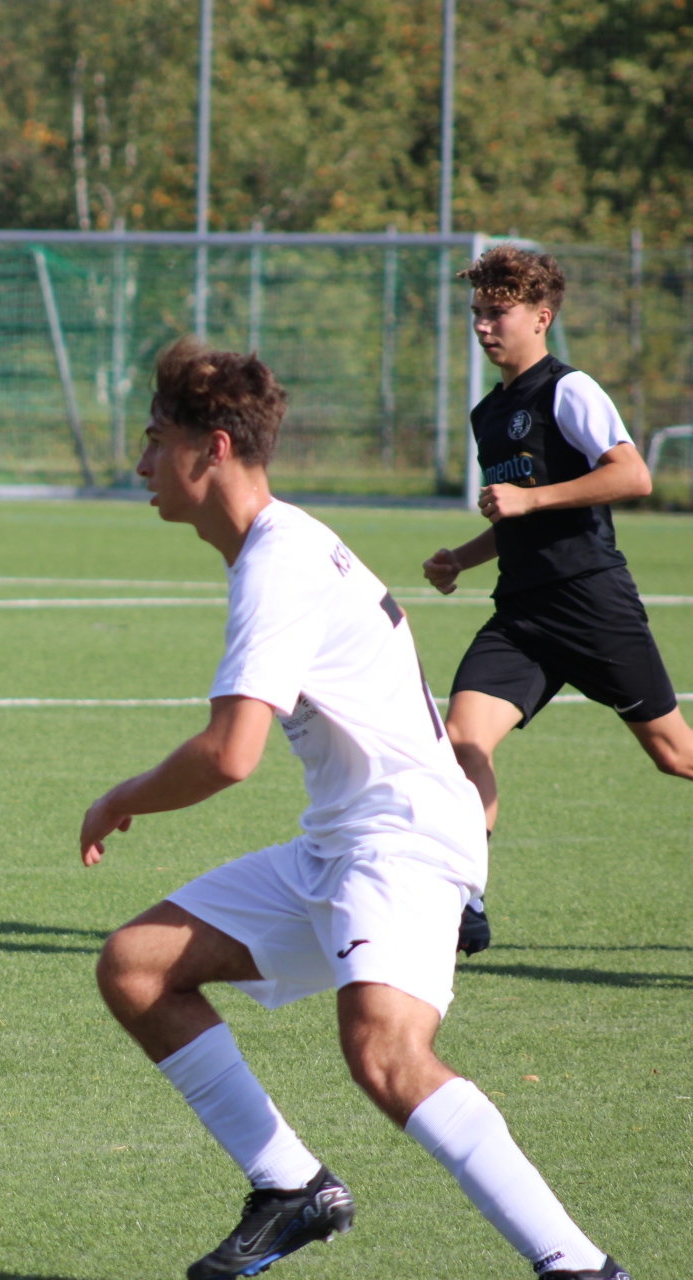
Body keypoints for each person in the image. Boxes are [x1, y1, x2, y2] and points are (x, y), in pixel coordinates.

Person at [81, 339, 628, 1279]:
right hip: (346, 842)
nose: (140, 465)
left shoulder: (277, 562)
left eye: (154, 440)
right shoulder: (281, 545)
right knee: (138, 966)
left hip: (403, 840)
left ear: (213, 448)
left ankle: (578, 1267)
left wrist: (119, 799)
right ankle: (290, 1187)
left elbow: (231, 754)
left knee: (387, 1054)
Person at [423, 245, 691, 953]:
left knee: (675, 754)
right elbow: (518, 516)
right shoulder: (489, 413)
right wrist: (461, 558)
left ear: (541, 318)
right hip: (522, 615)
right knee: (460, 743)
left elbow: (632, 476)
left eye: (498, 312)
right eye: (477, 313)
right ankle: (465, 900)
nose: (483, 326)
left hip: (589, 601)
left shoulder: (569, 390)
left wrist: (531, 497)